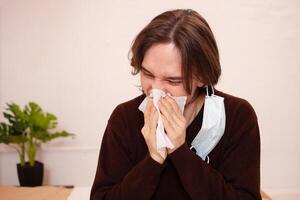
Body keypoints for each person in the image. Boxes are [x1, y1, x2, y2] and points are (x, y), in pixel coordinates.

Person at [90, 9, 261, 200]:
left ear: (202, 77)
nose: (155, 90)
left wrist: (180, 151)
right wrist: (153, 160)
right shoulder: (125, 117)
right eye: (147, 74)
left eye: (172, 81)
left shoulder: (237, 116)